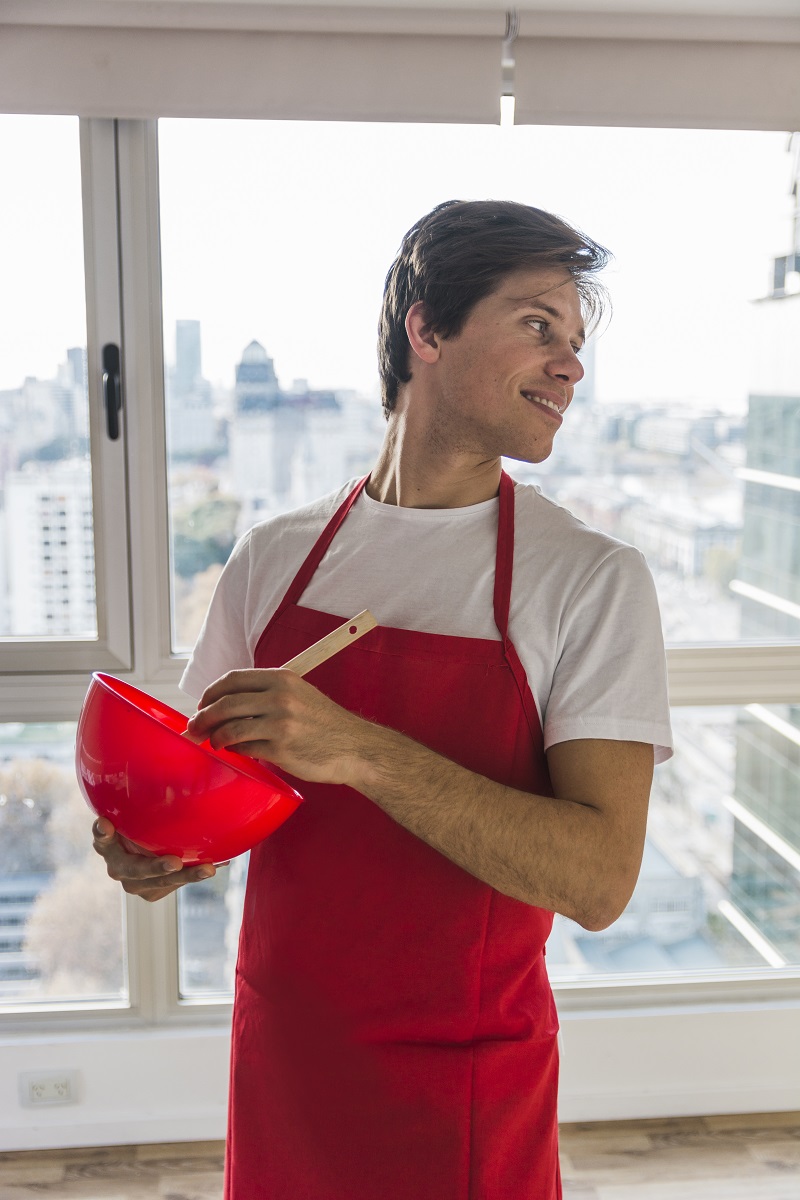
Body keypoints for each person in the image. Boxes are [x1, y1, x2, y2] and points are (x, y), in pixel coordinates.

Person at [93, 199, 673, 1199]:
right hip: (286, 1058)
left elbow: (597, 880)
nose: (568, 365)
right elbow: (213, 802)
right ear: (426, 330)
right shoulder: (271, 558)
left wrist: (361, 751)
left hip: (464, 1087)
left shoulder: (586, 578)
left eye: (574, 341)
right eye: (537, 325)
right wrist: (155, 846)